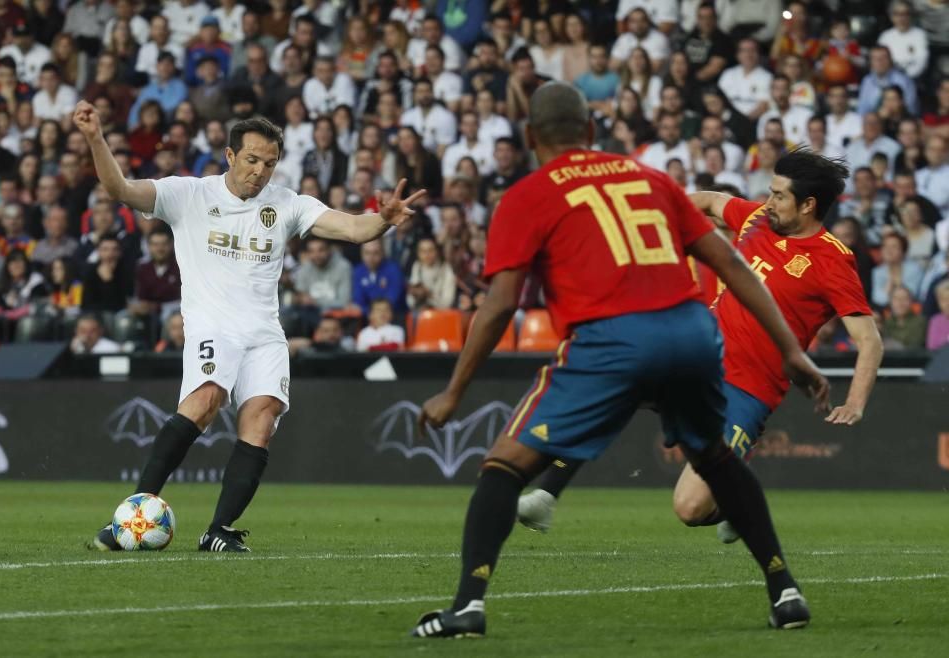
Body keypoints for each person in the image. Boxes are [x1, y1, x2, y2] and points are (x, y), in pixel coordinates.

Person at [409, 82, 831, 639]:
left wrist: (455, 391)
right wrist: (793, 351)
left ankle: (467, 606)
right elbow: (730, 263)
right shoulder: (650, 177)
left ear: (531, 136)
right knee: (716, 460)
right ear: (590, 131)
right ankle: (786, 591)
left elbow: (501, 304)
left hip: (612, 338)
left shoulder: (527, 195)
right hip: (692, 334)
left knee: (505, 466)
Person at [73, 100, 425, 553]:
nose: (261, 171)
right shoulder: (188, 195)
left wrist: (384, 220)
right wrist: (95, 138)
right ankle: (133, 515)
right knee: (205, 401)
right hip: (212, 326)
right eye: (253, 160)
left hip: (264, 333)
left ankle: (218, 529)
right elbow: (120, 189)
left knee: (261, 418)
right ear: (231, 156)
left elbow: (354, 229)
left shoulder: (287, 204)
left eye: (270, 163)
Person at [517, 148, 883, 548]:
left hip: (747, 390)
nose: (768, 201)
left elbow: (869, 339)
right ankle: (547, 496)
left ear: (809, 204)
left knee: (690, 509)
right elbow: (710, 201)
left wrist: (856, 402)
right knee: (614, 386)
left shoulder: (833, 260)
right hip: (697, 358)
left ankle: (737, 503)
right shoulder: (758, 218)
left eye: (779, 195)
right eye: (770, 191)